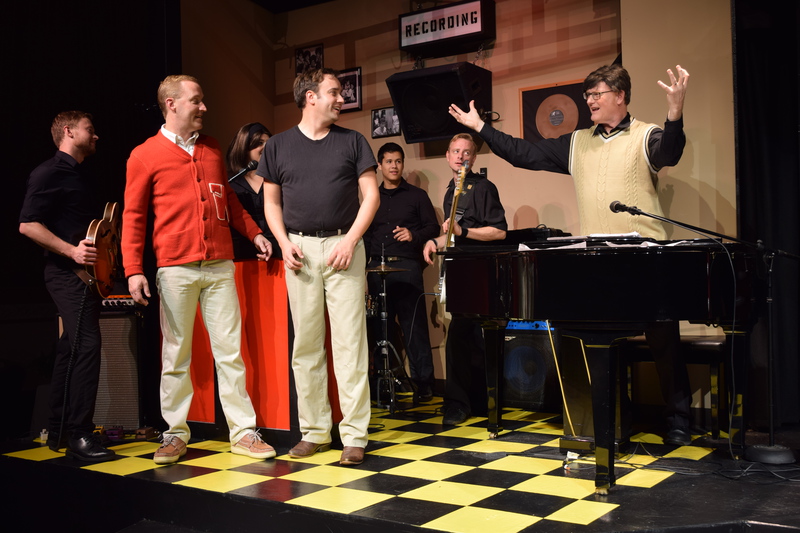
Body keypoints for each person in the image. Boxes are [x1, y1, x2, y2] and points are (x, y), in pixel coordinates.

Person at [449, 63, 693, 445]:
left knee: (663, 340)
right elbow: (523, 153)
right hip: (597, 260)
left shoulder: (646, 135)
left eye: (597, 94)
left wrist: (674, 113)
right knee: (598, 342)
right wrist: (481, 127)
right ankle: (614, 418)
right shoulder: (577, 142)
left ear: (620, 96)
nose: (590, 101)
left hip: (646, 257)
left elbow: (670, 153)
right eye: (588, 95)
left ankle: (678, 419)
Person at [122, 74, 276, 464]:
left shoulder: (210, 148)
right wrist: (133, 269)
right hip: (176, 268)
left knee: (230, 352)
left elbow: (230, 202)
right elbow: (134, 217)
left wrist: (255, 233)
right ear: (171, 104)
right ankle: (175, 434)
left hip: (219, 264)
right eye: (196, 100)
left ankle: (243, 432)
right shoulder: (144, 155)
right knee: (176, 355)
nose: (204, 107)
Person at [258, 68, 379, 466]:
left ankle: (354, 435)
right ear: (310, 97)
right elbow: (271, 203)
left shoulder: (353, 141)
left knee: (350, 344)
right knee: (306, 345)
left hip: (345, 246)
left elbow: (371, 197)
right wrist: (283, 242)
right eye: (334, 92)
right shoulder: (278, 146)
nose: (341, 98)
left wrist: (350, 241)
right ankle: (314, 431)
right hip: (300, 249)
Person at [19, 111, 115, 462]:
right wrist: (71, 251)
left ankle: (59, 429)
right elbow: (28, 225)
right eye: (90, 129)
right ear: (69, 131)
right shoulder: (48, 172)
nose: (96, 135)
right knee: (87, 347)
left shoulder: (81, 175)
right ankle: (79, 434)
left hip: (86, 277)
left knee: (70, 349)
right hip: (66, 275)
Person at [423, 133, 508, 425]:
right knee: (461, 338)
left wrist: (464, 232)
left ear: (473, 158)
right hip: (458, 269)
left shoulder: (483, 188)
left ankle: (469, 404)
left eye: (466, 152)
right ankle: (465, 403)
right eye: (456, 151)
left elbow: (499, 232)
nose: (460, 157)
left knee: (470, 338)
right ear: (448, 156)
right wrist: (434, 242)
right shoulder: (452, 190)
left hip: (480, 270)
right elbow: (452, 234)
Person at [363, 142, 439, 403]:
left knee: (414, 329)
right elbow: (365, 236)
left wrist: (413, 235)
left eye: (398, 161)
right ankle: (383, 383)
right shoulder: (372, 197)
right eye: (388, 161)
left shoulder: (417, 196)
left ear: (402, 164)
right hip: (377, 270)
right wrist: (362, 271)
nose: (394, 166)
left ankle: (423, 385)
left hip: (407, 268)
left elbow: (433, 228)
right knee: (380, 330)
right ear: (380, 165)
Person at [225, 122, 281, 259]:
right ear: (244, 147)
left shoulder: (278, 179)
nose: (265, 147)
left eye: (268, 143)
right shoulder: (230, 181)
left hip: (277, 250)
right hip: (241, 252)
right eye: (259, 143)